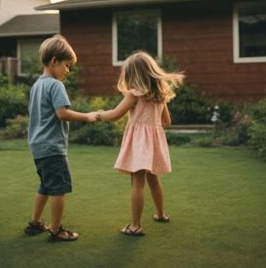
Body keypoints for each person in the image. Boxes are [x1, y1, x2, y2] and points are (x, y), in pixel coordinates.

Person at [96, 51, 184, 236]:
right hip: (153, 144)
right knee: (153, 179)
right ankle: (160, 214)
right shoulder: (159, 96)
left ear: (132, 75)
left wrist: (99, 114)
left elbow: (114, 115)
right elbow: (166, 122)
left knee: (137, 183)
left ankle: (135, 225)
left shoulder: (134, 94)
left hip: (138, 144)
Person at [24, 35, 98, 242]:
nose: (68, 71)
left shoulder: (37, 85)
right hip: (52, 147)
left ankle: (34, 223)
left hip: (38, 146)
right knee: (58, 189)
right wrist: (87, 116)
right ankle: (55, 230)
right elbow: (62, 113)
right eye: (67, 65)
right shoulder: (56, 85)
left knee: (45, 186)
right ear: (54, 61)